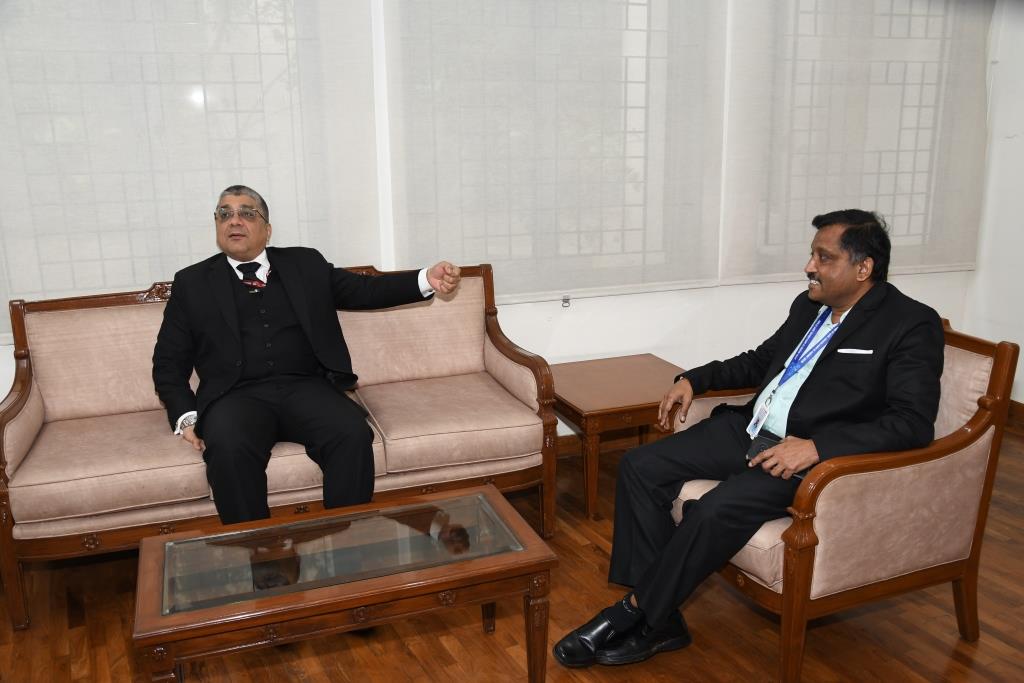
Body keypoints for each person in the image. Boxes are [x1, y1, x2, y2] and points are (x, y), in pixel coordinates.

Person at [553, 209, 944, 668]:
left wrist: (815, 448)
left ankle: (633, 613)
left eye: (824, 257)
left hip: (805, 458)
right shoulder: (809, 306)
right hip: (750, 430)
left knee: (715, 509)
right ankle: (662, 620)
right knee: (640, 466)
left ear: (864, 268)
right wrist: (695, 378)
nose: (809, 266)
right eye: (812, 255)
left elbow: (912, 422)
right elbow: (761, 362)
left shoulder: (909, 323)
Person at [152, 185, 461, 524]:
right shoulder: (193, 283)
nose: (234, 221)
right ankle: (257, 548)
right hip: (234, 396)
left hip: (306, 387)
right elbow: (168, 360)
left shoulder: (305, 264)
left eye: (247, 213)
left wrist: (425, 279)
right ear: (216, 225)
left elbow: (365, 290)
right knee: (228, 448)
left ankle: (348, 537)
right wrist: (185, 415)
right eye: (225, 214)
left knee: (351, 433)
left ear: (267, 229)